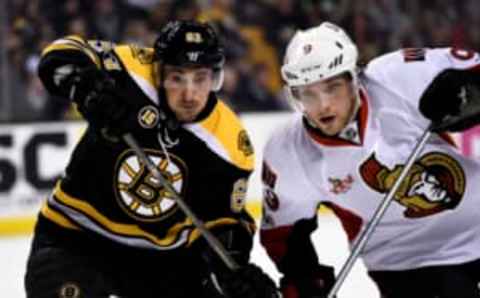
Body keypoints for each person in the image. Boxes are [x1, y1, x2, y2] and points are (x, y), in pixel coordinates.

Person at [25, 20, 279, 298]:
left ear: (215, 77)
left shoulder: (230, 144)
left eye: (200, 78)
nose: (189, 94)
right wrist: (86, 84)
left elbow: (227, 221)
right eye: (177, 77)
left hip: (160, 260)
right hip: (77, 234)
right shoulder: (130, 71)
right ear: (158, 70)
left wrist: (230, 268)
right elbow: (63, 50)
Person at [259, 21, 480, 298]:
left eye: (332, 87)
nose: (323, 105)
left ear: (354, 77)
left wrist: (468, 91)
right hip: (405, 263)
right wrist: (305, 282)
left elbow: (473, 73)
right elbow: (284, 235)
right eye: (308, 93)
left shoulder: (398, 75)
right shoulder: (288, 151)